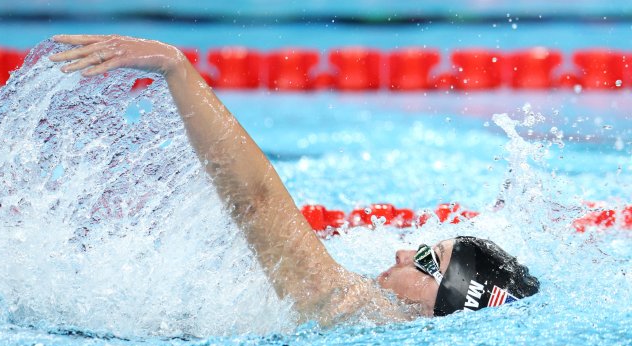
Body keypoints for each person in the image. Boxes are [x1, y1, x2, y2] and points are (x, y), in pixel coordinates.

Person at [49, 34, 540, 326]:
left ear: (450, 298)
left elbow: (255, 202)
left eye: (428, 259)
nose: (403, 252)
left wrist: (175, 68)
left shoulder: (349, 311)